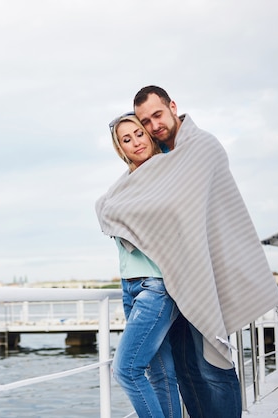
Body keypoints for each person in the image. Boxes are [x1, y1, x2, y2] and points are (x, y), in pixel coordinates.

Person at [96, 85, 278, 418]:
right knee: (178, 370)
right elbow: (117, 209)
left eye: (156, 116)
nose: (152, 128)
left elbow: (196, 214)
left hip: (190, 275)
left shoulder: (198, 148)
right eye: (143, 123)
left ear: (172, 106)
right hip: (163, 278)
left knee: (209, 365)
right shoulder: (152, 166)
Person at [107, 112, 181, 418]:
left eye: (139, 133)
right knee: (161, 375)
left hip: (157, 286)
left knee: (126, 369)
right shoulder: (123, 186)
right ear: (121, 149)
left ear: (149, 134)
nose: (136, 142)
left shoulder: (166, 171)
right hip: (131, 286)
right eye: (127, 139)